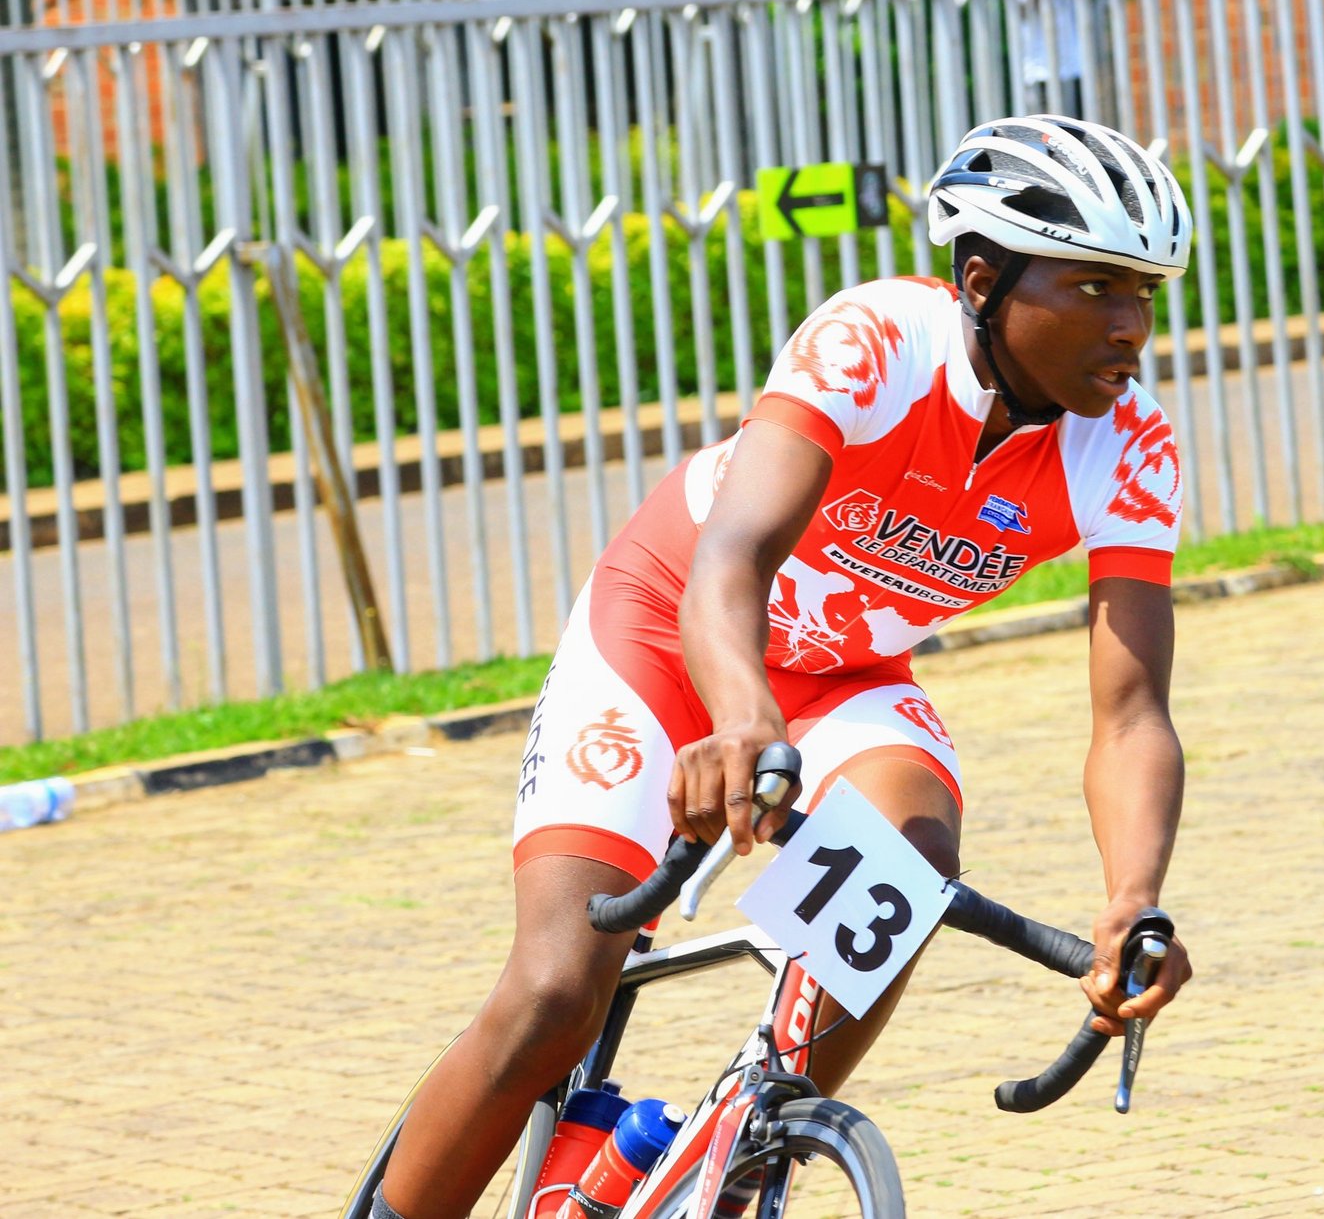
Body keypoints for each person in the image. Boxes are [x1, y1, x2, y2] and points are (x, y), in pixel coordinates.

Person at [369, 114, 1198, 1219]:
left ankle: (740, 1149)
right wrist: (739, 716)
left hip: (844, 677)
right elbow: (732, 558)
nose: (1131, 325)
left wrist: (1133, 899)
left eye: (1145, 292)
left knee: (910, 854)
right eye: (1096, 287)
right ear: (982, 280)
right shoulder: (875, 342)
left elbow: (1132, 712)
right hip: (667, 632)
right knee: (557, 990)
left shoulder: (1131, 446)